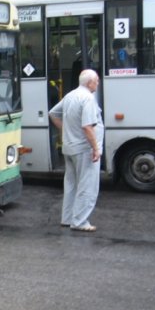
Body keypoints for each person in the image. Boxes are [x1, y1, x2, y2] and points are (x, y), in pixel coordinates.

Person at [49, 69, 104, 232]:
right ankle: (80, 221)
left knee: (71, 184)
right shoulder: (88, 98)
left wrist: (66, 130)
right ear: (90, 83)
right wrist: (96, 148)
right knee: (87, 185)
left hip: (69, 147)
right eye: (97, 80)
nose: (98, 83)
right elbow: (87, 127)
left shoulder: (71, 95)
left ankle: (67, 218)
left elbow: (53, 113)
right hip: (84, 148)